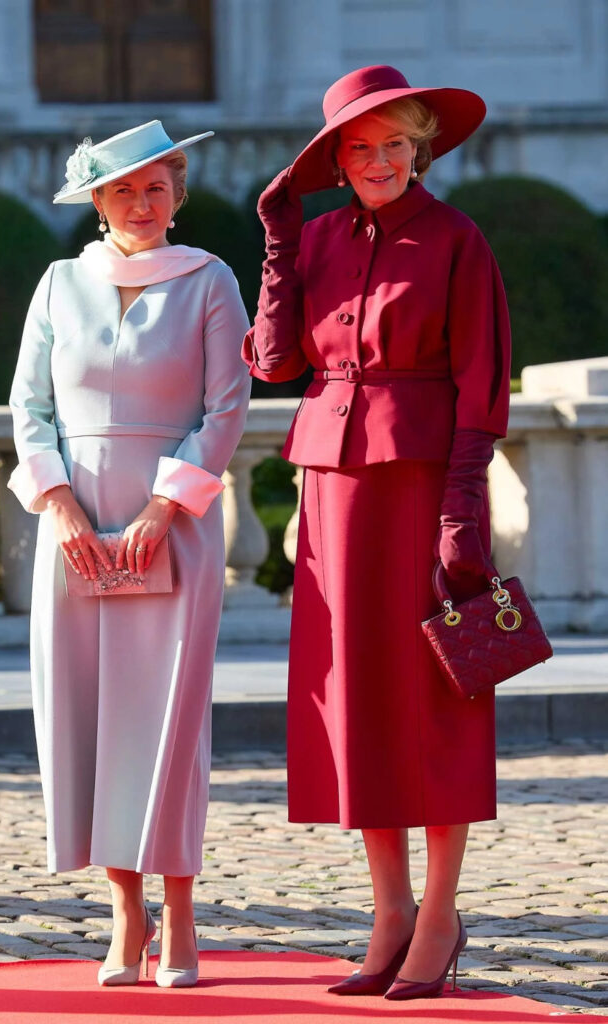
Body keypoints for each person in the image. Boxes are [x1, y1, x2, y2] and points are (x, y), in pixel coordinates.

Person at [243, 65, 511, 1000]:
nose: (379, 161)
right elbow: (273, 362)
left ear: (419, 147)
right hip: (332, 489)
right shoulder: (315, 238)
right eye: (359, 147)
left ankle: (439, 913)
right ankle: (388, 909)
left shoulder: (457, 239)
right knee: (360, 698)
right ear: (336, 159)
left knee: (436, 695)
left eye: (395, 143)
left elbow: (482, 386)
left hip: (422, 487)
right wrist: (278, 243)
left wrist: (459, 514)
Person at [8, 119, 251, 988]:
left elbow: (227, 407)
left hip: (172, 526)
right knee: (85, 715)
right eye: (121, 191)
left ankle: (180, 911)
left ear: (177, 196)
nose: (139, 204)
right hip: (73, 530)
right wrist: (59, 506)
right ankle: (124, 912)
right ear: (97, 201)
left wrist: (162, 507)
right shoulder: (58, 283)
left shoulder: (211, 280)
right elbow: (28, 407)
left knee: (167, 724)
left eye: (155, 188)